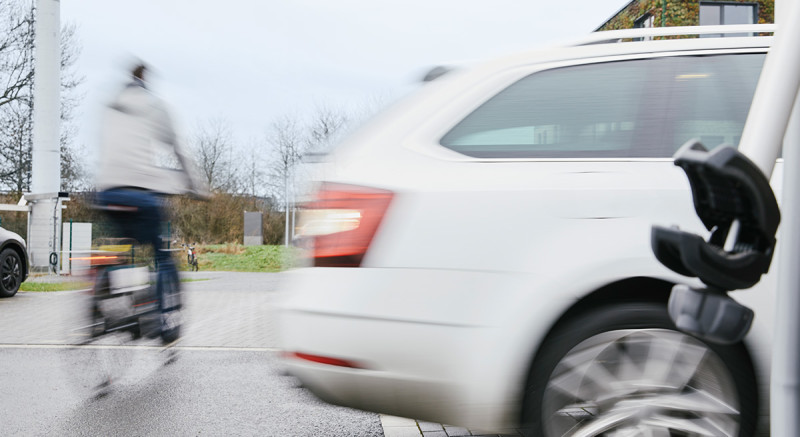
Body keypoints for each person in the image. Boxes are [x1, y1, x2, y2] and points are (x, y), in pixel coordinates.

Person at [94, 62, 208, 341]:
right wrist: (196, 187)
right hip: (139, 194)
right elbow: (177, 147)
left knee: (124, 246)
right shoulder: (152, 105)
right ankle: (161, 320)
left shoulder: (110, 106)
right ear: (145, 81)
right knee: (161, 254)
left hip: (106, 193)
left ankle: (108, 296)